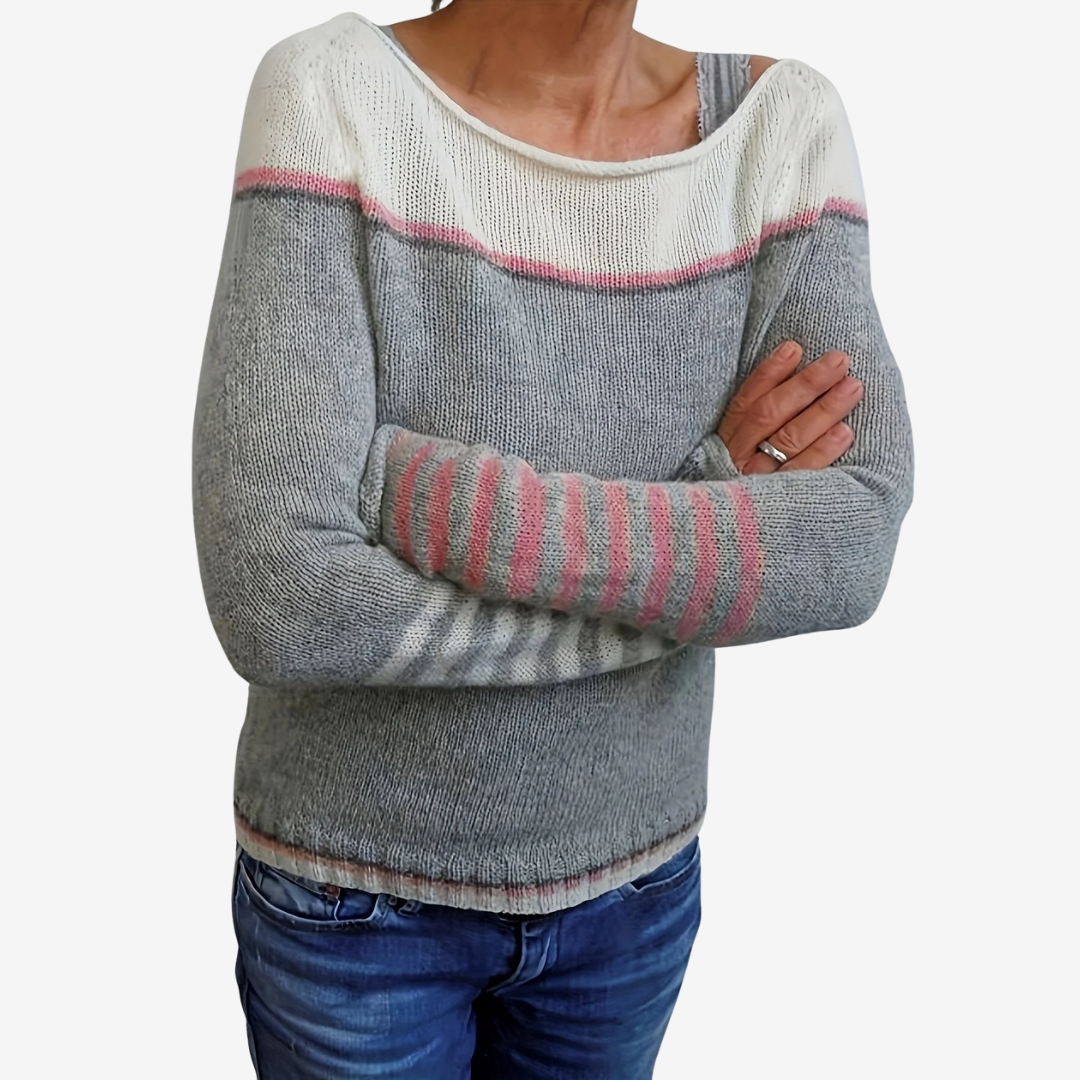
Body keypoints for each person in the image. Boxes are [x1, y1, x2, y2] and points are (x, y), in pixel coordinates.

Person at [191, 1, 914, 1075]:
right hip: (351, 899)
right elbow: (279, 600)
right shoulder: (331, 93)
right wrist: (701, 537)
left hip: (634, 892)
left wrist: (430, 495)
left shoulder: (778, 130)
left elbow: (852, 542)